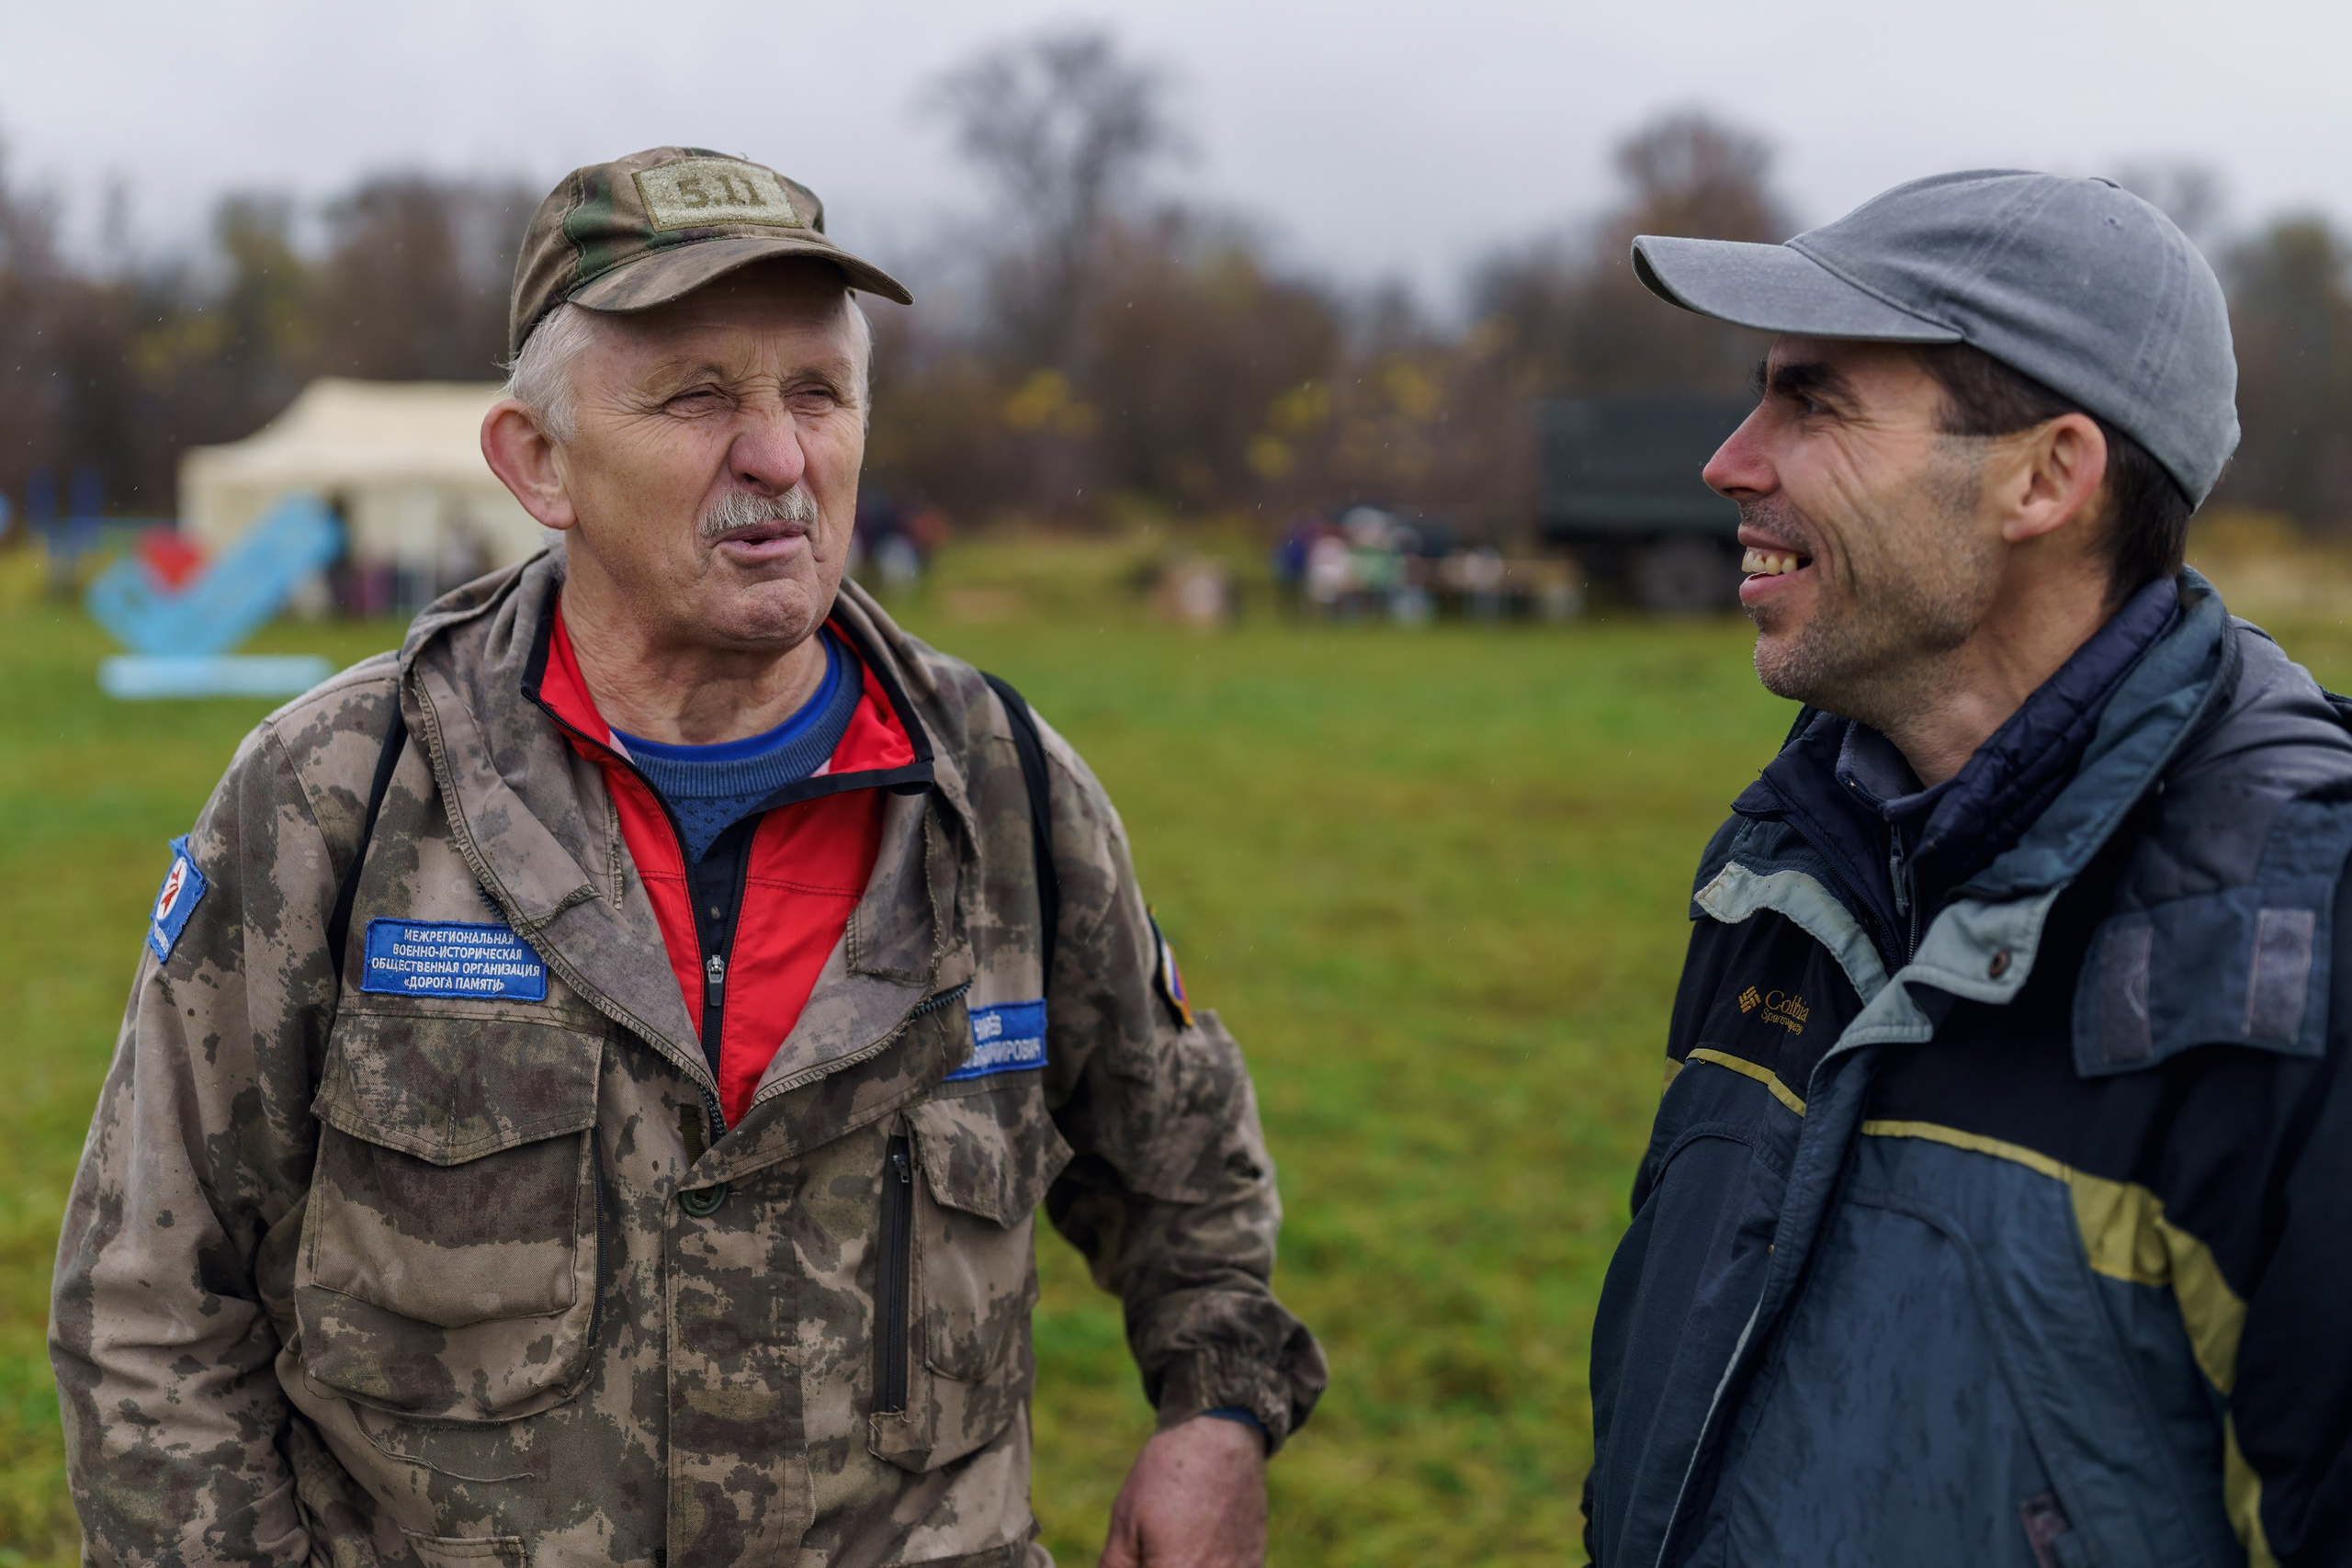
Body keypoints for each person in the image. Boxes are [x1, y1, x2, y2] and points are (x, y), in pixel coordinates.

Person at [51, 147, 1323, 1568]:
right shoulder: (335, 799)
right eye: (700, 396)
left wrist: (1217, 1414)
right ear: (540, 464)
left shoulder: (1011, 797)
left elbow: (1184, 1176)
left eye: (818, 394)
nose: (779, 456)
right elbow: (151, 1299)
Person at [1583, 171, 2352, 1567]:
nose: (1729, 460)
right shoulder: (1791, 860)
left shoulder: (2297, 939)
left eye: (1811, 402)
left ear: (2048, 478)